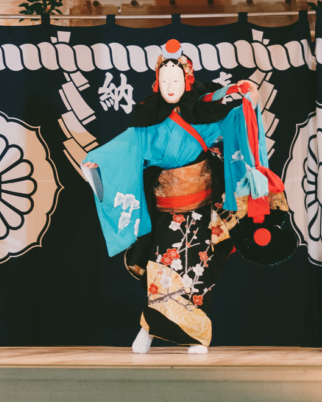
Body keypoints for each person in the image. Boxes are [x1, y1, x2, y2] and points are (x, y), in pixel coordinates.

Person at [81, 40, 285, 354]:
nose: (170, 85)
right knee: (163, 270)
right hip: (167, 208)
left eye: (176, 80)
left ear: (187, 80)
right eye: (164, 80)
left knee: (201, 270)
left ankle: (189, 332)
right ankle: (149, 330)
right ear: (156, 82)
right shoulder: (147, 117)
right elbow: (124, 148)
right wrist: (97, 164)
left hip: (205, 205)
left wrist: (249, 99)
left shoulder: (203, 109)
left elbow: (236, 118)